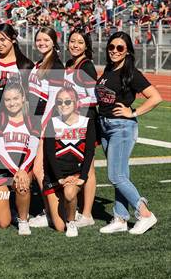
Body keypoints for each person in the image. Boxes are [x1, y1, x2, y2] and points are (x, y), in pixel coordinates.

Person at [96, 31, 162, 235]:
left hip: (122, 128)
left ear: (127, 51)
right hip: (106, 126)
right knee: (121, 174)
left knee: (115, 175)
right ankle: (120, 218)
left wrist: (132, 112)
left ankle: (145, 213)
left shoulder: (130, 72)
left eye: (120, 48)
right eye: (111, 47)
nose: (114, 51)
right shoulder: (109, 68)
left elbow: (155, 97)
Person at [0, 82, 39, 235]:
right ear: (3, 102)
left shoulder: (31, 120)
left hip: (22, 170)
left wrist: (22, 171)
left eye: (16, 98)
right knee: (3, 223)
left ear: (23, 98)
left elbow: (33, 150)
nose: (12, 103)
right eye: (8, 100)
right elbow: (1, 153)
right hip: (0, 171)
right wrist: (17, 171)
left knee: (22, 185)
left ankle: (23, 221)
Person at [43, 88, 96, 237]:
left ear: (76, 103)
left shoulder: (87, 123)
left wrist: (82, 177)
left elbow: (89, 153)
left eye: (68, 101)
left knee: (69, 192)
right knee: (59, 227)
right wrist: (59, 178)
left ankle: (72, 221)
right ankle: (69, 209)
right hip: (55, 176)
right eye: (59, 102)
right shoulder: (52, 123)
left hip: (75, 174)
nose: (63, 105)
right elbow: (50, 154)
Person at [27, 26, 65, 228]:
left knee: (40, 170)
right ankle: (51, 209)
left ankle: (52, 212)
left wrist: (44, 129)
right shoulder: (39, 63)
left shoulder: (56, 66)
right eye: (39, 40)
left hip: (45, 125)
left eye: (46, 40)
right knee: (40, 169)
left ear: (54, 41)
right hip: (34, 123)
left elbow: (54, 102)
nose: (42, 43)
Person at [64, 30, 98, 227]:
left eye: (80, 42)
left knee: (89, 168)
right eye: (72, 41)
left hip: (86, 123)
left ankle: (87, 214)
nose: (75, 45)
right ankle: (74, 207)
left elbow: (94, 100)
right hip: (70, 124)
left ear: (86, 46)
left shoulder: (86, 67)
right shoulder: (70, 65)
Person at [0, 23, 34, 133]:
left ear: (13, 39)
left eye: (3, 39)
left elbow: (31, 98)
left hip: (17, 121)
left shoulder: (26, 65)